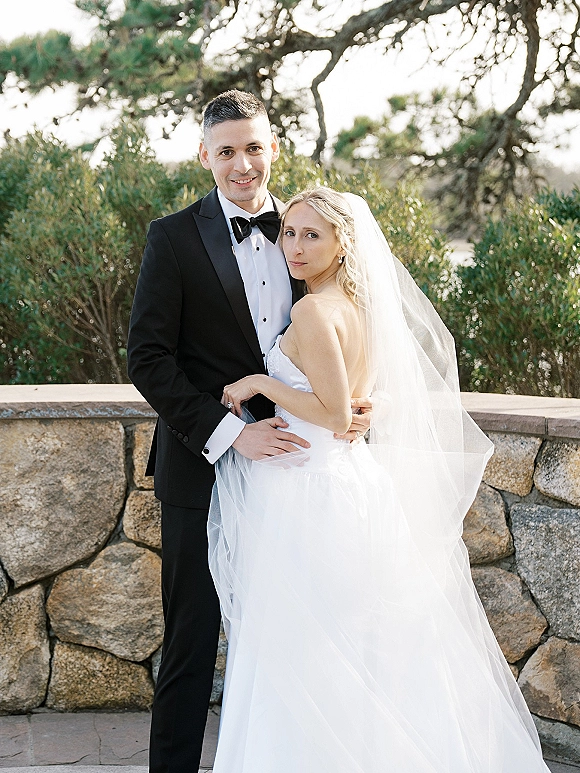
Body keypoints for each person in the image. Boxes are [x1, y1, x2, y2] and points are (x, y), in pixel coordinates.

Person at [207, 187, 551, 772]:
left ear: (343, 245)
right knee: (359, 647)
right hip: (351, 484)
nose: (293, 246)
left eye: (312, 235)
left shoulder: (312, 310)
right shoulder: (359, 308)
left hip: (309, 488)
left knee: (304, 649)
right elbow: (368, 403)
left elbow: (337, 415)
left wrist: (259, 385)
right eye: (289, 232)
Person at [127, 90, 371, 773]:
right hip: (202, 467)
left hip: (295, 472)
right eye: (227, 150)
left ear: (273, 148)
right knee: (191, 642)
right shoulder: (171, 237)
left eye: (254, 147)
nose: (242, 164)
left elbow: (339, 333)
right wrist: (231, 435)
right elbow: (147, 358)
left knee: (298, 636)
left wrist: (350, 402)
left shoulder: (305, 230)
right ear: (204, 155)